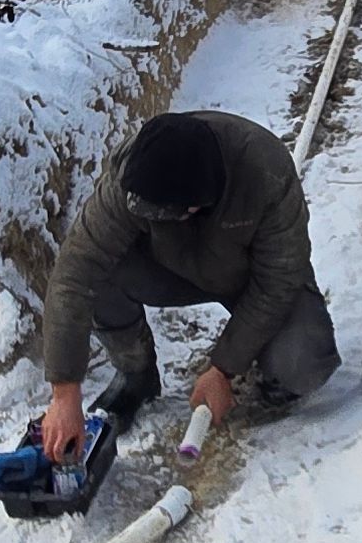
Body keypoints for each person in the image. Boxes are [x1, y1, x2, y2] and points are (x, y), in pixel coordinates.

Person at [36, 109, 339, 462]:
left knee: (303, 364)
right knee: (98, 274)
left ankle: (270, 379)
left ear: (195, 205)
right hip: (169, 267)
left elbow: (277, 283)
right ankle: (137, 374)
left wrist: (223, 368)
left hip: (251, 276)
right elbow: (75, 272)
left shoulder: (266, 172)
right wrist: (64, 393)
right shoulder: (134, 169)